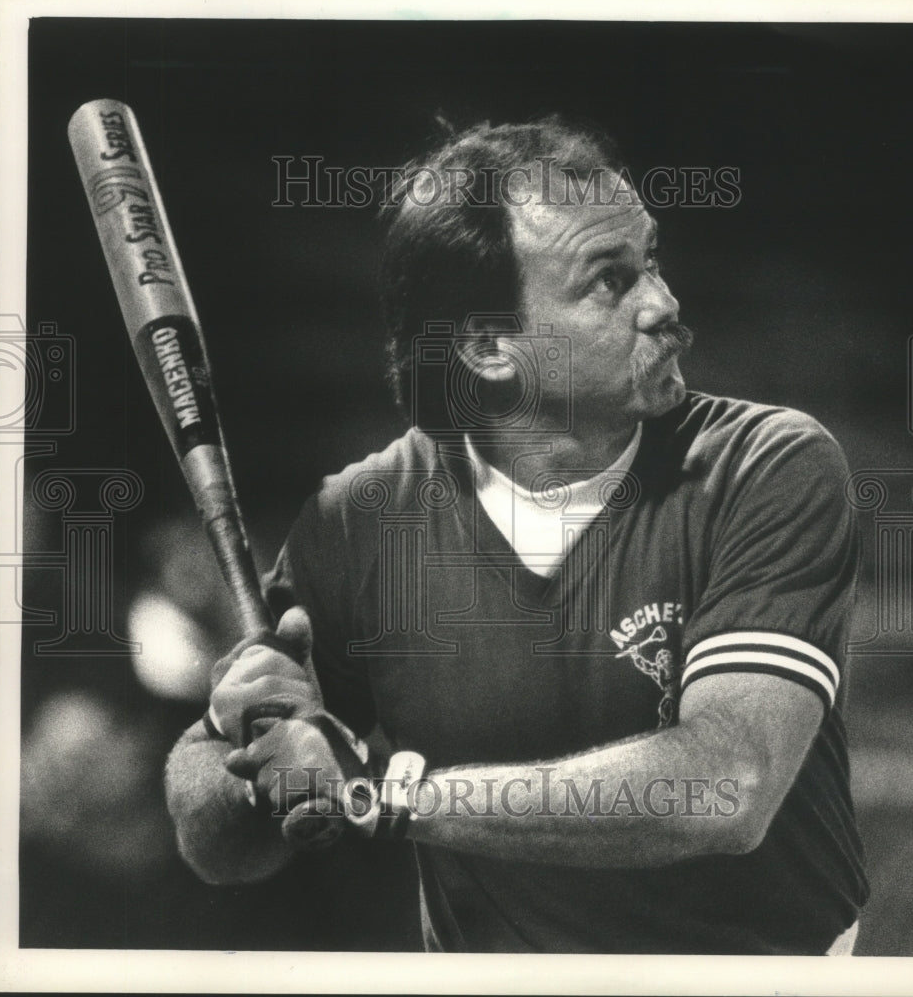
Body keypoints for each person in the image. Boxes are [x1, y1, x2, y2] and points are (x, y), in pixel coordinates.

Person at [164, 117, 869, 954]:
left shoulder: (766, 463)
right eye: (610, 281)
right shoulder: (359, 523)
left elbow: (726, 784)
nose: (664, 303)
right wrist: (246, 757)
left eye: (651, 259)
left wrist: (383, 798)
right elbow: (219, 848)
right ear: (490, 346)